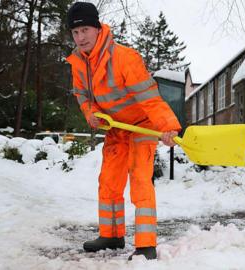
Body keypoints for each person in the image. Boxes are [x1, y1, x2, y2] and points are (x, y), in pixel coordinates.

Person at [66, 2, 181, 260]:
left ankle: (146, 245)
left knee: (140, 180)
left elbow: (150, 99)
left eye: (85, 30)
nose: (80, 37)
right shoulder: (78, 63)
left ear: (97, 29)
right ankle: (112, 235)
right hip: (116, 128)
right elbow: (83, 95)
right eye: (75, 33)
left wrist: (168, 127)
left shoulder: (124, 58)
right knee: (108, 182)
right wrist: (90, 113)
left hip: (141, 124)